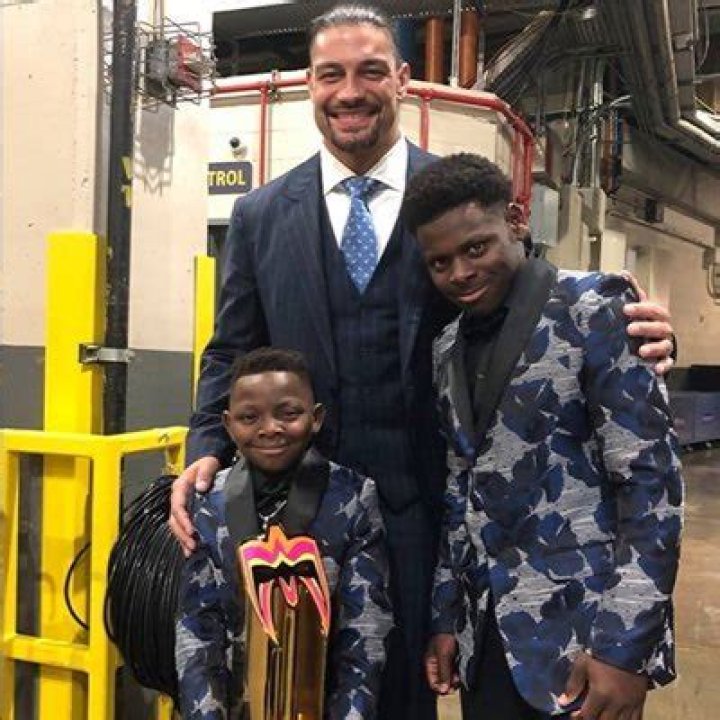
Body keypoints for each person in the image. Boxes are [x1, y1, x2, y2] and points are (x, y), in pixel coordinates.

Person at [169, 5, 676, 719]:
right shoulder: (259, 216)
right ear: (309, 85)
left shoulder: (456, 197)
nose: (350, 92)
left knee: (407, 694)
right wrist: (205, 447)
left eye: (371, 71)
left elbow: (530, 302)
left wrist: (641, 332)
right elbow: (232, 348)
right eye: (331, 75)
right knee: (288, 690)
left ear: (402, 80)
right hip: (302, 508)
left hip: (430, 517)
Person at [400, 153, 683, 720]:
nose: (459, 273)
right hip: (487, 642)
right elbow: (461, 492)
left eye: (476, 248)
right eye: (440, 262)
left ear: (516, 220)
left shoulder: (594, 307)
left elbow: (651, 487)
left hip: (586, 639)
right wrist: (447, 617)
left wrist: (624, 648)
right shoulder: (446, 347)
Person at [175, 347, 392, 720]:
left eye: (288, 414)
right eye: (249, 417)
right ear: (228, 424)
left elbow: (365, 631)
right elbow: (197, 628)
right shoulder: (209, 505)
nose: (270, 428)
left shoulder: (354, 497)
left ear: (316, 417)